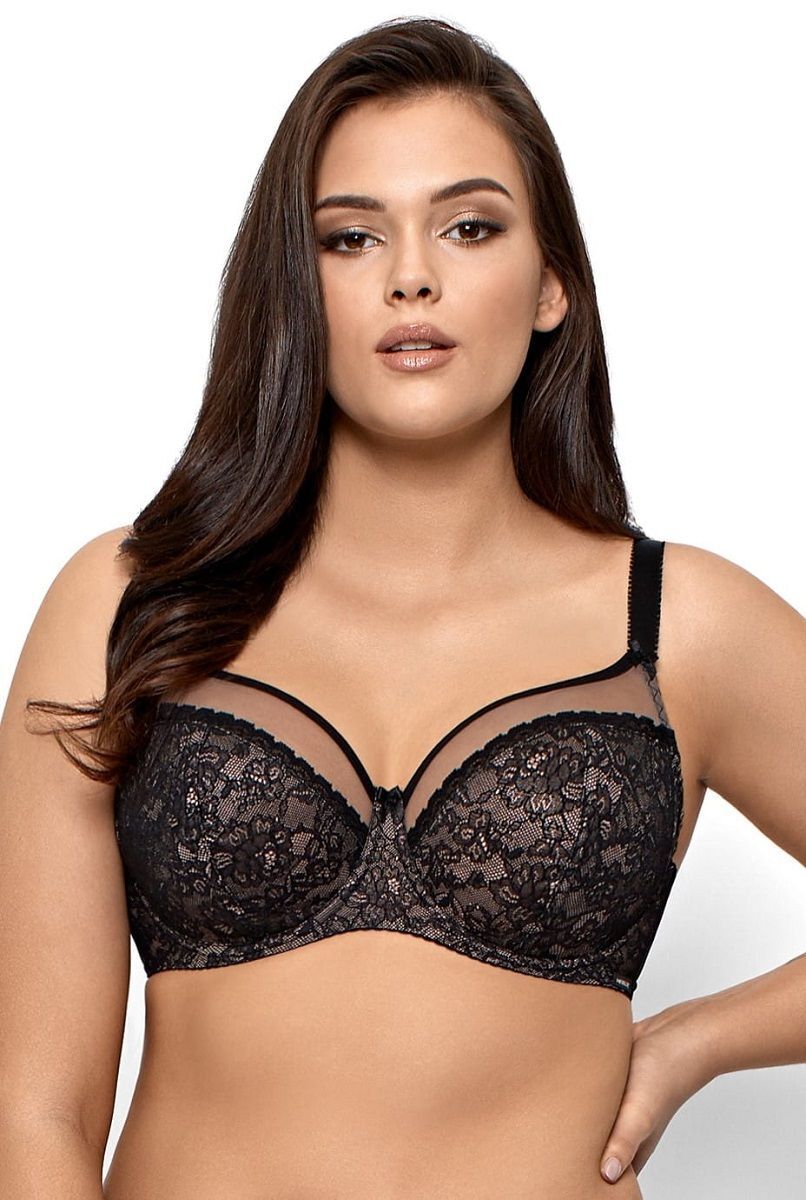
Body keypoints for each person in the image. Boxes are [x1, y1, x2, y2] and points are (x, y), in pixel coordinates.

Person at [1, 16, 803, 1200]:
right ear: (295, 288)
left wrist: (698, 1040)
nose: (410, 275)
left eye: (468, 226)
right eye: (350, 236)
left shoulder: (683, 625)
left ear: (550, 285)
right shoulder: (126, 604)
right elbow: (37, 1116)